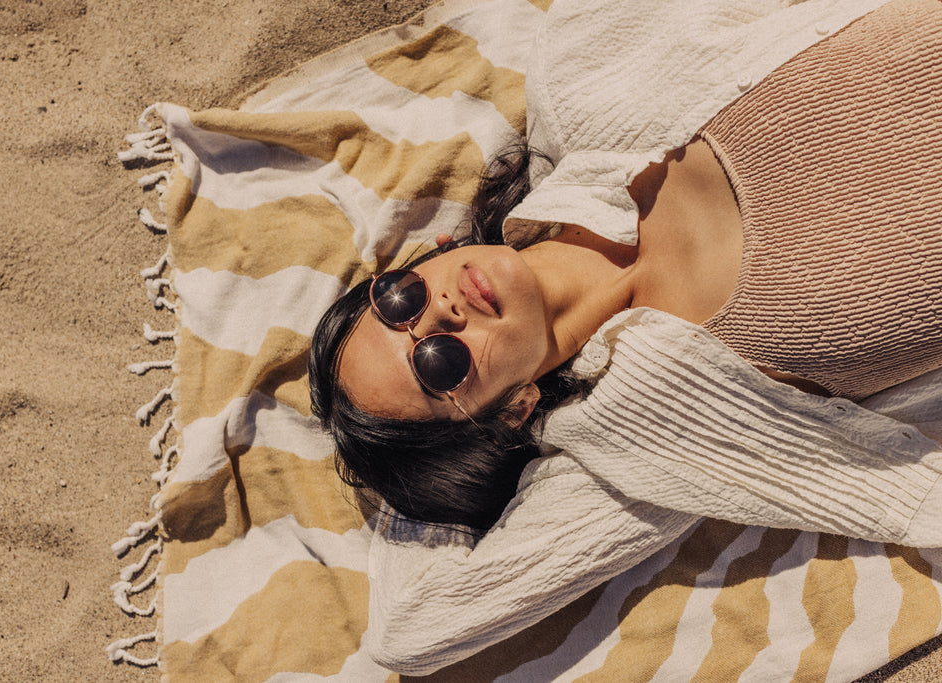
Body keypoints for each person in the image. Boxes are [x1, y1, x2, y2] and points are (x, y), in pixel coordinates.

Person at [308, 0, 942, 673]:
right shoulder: (654, 438)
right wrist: (419, 484)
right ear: (514, 407)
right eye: (438, 365)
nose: (436, 317)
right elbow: (413, 629)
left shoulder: (586, 88)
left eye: (399, 299)